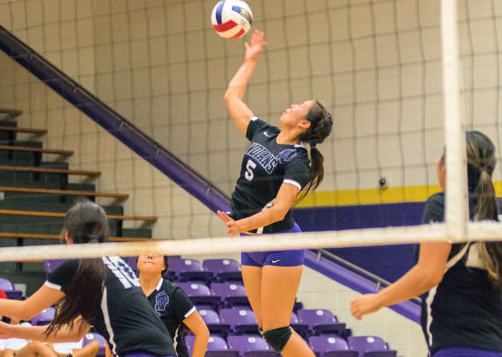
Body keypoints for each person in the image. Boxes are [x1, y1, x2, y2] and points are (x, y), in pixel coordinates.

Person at [216, 30, 333, 357]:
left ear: (305, 124)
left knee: (278, 329)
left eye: (301, 106)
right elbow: (231, 97)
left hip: (279, 242)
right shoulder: (264, 132)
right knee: (268, 330)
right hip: (251, 241)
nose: (293, 104)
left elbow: (280, 209)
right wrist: (249, 60)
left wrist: (241, 224)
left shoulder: (298, 160)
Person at [0, 200, 176, 357]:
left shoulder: (77, 267)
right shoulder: (113, 263)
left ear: (68, 237)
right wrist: (13, 331)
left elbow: (26, 311)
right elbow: (72, 333)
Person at [350, 131, 502, 357]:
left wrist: (377, 300)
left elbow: (429, 274)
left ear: (446, 166)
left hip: (456, 346)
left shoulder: (445, 205)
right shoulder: (495, 216)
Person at [137, 254, 210, 357]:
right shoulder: (125, 292)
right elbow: (113, 331)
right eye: (145, 252)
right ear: (137, 262)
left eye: (156, 254)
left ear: (164, 266)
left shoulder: (174, 294)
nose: (150, 256)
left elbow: (202, 332)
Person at [16, 338, 99, 357]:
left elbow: (77, 352)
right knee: (35, 344)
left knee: (95, 344)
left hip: (68, 355)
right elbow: (46, 348)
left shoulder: (76, 333)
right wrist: (60, 355)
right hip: (48, 355)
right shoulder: (48, 328)